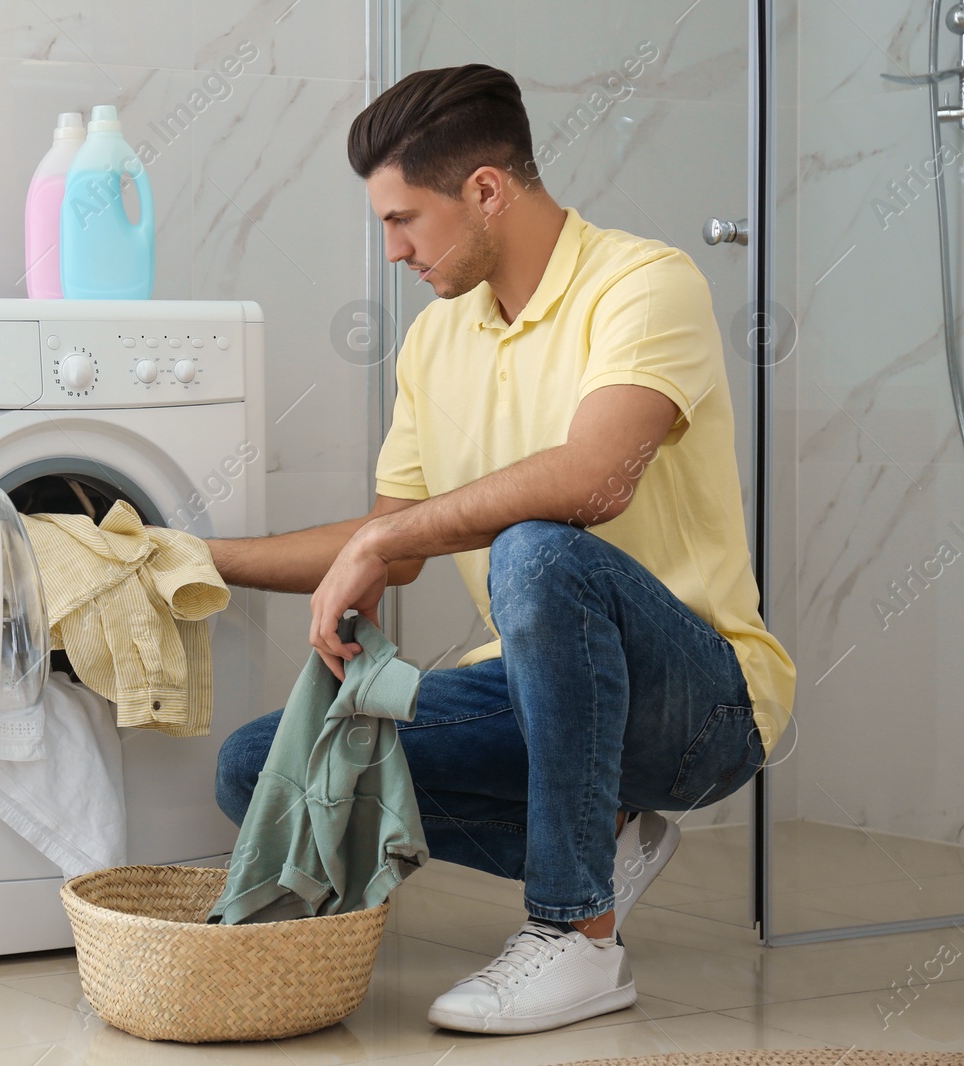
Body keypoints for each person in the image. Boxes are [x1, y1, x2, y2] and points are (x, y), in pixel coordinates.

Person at [207, 64, 795, 1035]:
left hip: (702, 702)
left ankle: (577, 933)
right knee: (260, 763)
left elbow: (592, 481)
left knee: (537, 549)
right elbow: (385, 554)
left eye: (404, 219)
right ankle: (601, 833)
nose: (393, 251)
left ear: (485, 189)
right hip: (536, 695)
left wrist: (388, 535)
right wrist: (196, 559)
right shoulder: (435, 344)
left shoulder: (645, 283)